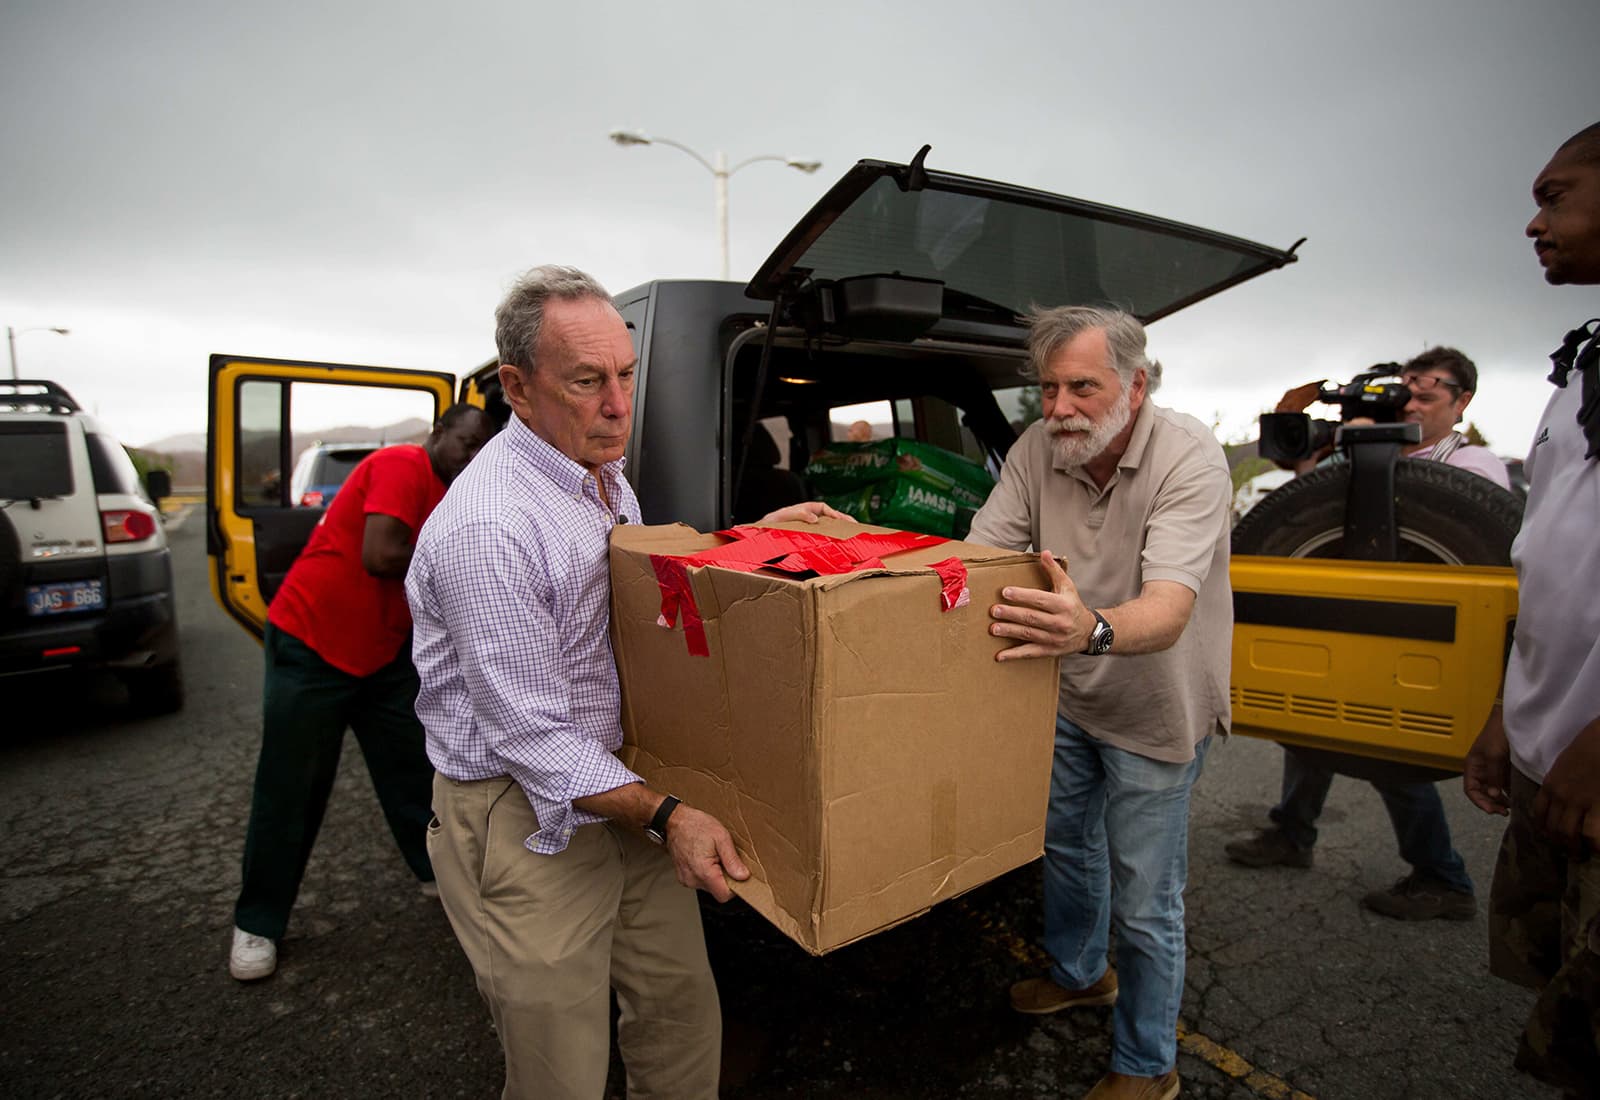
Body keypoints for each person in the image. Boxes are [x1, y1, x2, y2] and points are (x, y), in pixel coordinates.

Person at [405, 265, 845, 1099]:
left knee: (681, 1015)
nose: (617, 404)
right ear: (517, 387)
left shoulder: (598, 471)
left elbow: (631, 582)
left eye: (627, 376)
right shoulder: (490, 527)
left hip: (622, 784)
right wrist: (670, 815)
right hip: (523, 810)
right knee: (560, 1070)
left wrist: (745, 541)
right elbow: (530, 736)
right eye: (587, 382)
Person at [969, 305, 1232, 1100]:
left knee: (1148, 898)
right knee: (1068, 851)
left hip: (1158, 709)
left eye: (1082, 386)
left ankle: (1149, 1066)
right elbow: (978, 558)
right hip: (1067, 694)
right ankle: (1082, 975)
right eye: (1048, 389)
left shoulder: (1190, 457)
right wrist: (862, 546)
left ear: (1136, 384)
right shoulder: (1035, 449)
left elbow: (1170, 608)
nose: (1059, 409)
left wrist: (1090, 628)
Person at [1225, 346, 1509, 920]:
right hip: (1340, 619)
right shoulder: (1354, 458)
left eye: (1428, 393)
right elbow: (1303, 507)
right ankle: (1292, 833)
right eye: (1407, 391)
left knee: (1390, 752)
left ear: (1463, 402)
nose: (1414, 401)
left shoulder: (1476, 467)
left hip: (1420, 637)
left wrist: (1396, 456)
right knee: (1306, 726)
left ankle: (1443, 877)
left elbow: (1476, 528)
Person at [228, 404, 495, 982]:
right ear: (437, 434)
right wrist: (469, 560)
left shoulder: (460, 494)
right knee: (292, 784)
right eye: (465, 443)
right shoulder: (402, 464)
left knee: (413, 769)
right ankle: (258, 921)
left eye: (482, 448)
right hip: (314, 644)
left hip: (382, 654)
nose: (472, 457)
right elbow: (380, 556)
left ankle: (435, 874)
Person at [1464, 120, 1600, 1097]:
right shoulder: (1580, 364)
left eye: (1555, 195)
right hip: (1553, 754)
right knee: (1565, 1012)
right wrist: (1511, 708)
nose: (1530, 221)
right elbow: (1547, 560)